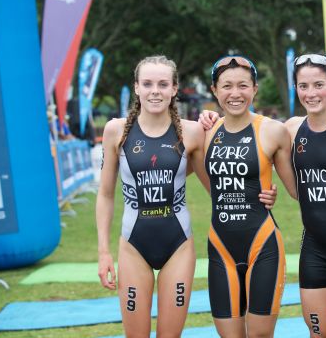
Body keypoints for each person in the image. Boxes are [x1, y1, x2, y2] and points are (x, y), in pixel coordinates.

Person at [200, 53, 326, 338]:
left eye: (318, 85)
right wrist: (268, 193)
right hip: (314, 248)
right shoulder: (291, 129)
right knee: (318, 332)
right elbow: (265, 162)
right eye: (303, 86)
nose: (311, 93)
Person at [95, 55, 276, 338]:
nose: (155, 90)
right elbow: (105, 195)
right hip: (133, 245)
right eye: (148, 83)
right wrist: (104, 252)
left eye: (163, 84)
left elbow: (219, 183)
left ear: (174, 88)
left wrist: (262, 192)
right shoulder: (116, 131)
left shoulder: (192, 132)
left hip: (178, 246)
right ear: (137, 88)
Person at [205, 55, 297, 338]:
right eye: (227, 86)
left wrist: (275, 192)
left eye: (243, 86)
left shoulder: (272, 131)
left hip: (263, 244)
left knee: (259, 336)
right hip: (221, 248)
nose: (235, 94)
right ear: (214, 91)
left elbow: (296, 189)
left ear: (255, 89)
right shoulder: (205, 131)